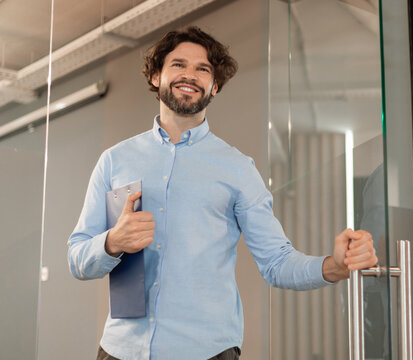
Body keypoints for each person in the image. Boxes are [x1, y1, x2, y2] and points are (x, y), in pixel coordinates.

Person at [68, 26, 377, 360]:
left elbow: (276, 262)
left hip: (206, 352)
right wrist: (113, 242)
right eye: (178, 65)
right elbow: (77, 258)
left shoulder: (238, 169)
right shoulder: (115, 160)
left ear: (214, 87)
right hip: (120, 350)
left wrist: (334, 266)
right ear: (156, 77)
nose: (190, 75)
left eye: (203, 69)